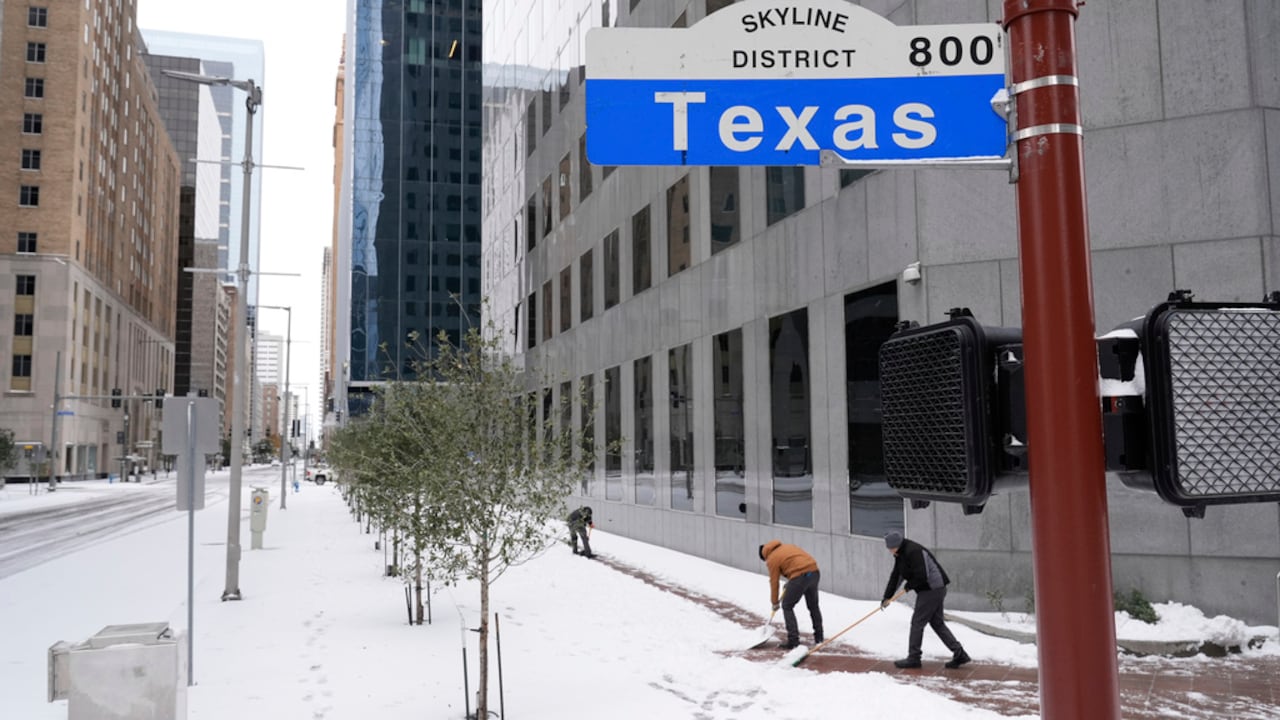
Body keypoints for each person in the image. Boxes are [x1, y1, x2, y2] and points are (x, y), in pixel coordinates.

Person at [881, 531, 970, 669]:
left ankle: (914, 658)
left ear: (897, 545)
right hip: (930, 589)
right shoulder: (900, 554)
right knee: (937, 623)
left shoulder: (913, 551)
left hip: (932, 589)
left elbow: (922, 575)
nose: (890, 551)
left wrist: (909, 586)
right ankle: (960, 653)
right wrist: (887, 597)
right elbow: (896, 576)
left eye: (890, 548)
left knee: (917, 622)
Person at [758, 540, 823, 650]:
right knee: (813, 606)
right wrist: (791, 581)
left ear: (765, 556)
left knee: (787, 606)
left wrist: (774, 602)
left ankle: (793, 641)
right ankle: (819, 638)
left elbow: (774, 582)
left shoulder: (771, 559)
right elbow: (795, 563)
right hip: (814, 572)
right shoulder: (787, 547)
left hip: (800, 577)